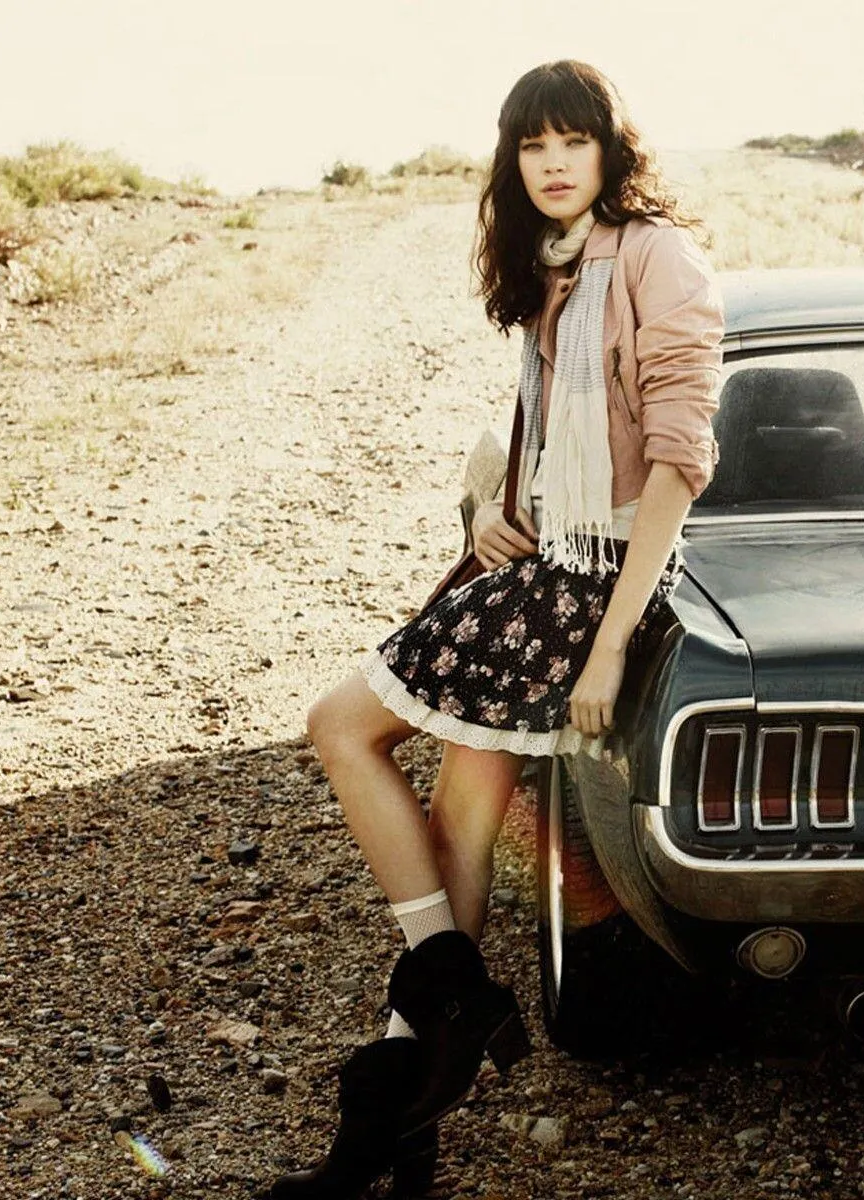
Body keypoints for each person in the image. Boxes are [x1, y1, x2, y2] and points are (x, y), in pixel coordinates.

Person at [271, 59, 723, 1199]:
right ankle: (396, 1128)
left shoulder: (658, 258)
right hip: (543, 564)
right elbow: (529, 436)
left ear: (612, 152)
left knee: (340, 727)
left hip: (597, 588)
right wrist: (489, 509)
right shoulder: (552, 265)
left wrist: (613, 644)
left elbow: (678, 464)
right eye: (534, 146)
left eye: (576, 141)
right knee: (459, 826)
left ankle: (448, 981)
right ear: (513, 162)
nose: (555, 163)